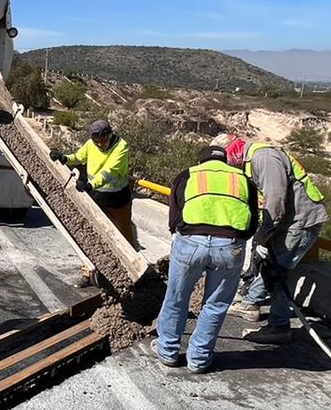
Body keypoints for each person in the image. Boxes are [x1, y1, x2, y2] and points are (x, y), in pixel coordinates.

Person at [151, 140, 259, 373]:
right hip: (230, 247)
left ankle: (168, 351)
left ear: (201, 161)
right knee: (216, 304)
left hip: (191, 243)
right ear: (226, 161)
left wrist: (182, 236)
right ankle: (198, 360)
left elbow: (174, 217)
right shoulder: (242, 179)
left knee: (176, 298)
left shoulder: (188, 175)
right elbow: (253, 221)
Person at [221, 133, 329, 344]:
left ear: (233, 150)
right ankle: (251, 303)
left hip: (299, 221)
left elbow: (275, 198)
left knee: (278, 273)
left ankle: (279, 326)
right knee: (269, 265)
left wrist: (264, 235)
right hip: (289, 220)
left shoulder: (264, 158)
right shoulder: (254, 159)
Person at [52, 119, 138, 247]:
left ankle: (134, 260)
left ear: (110, 135)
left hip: (118, 198)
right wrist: (64, 158)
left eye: (103, 140)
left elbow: (110, 172)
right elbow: (79, 157)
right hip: (98, 196)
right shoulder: (91, 144)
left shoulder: (121, 147)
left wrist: (90, 185)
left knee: (124, 232)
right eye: (96, 142)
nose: (100, 144)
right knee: (97, 231)